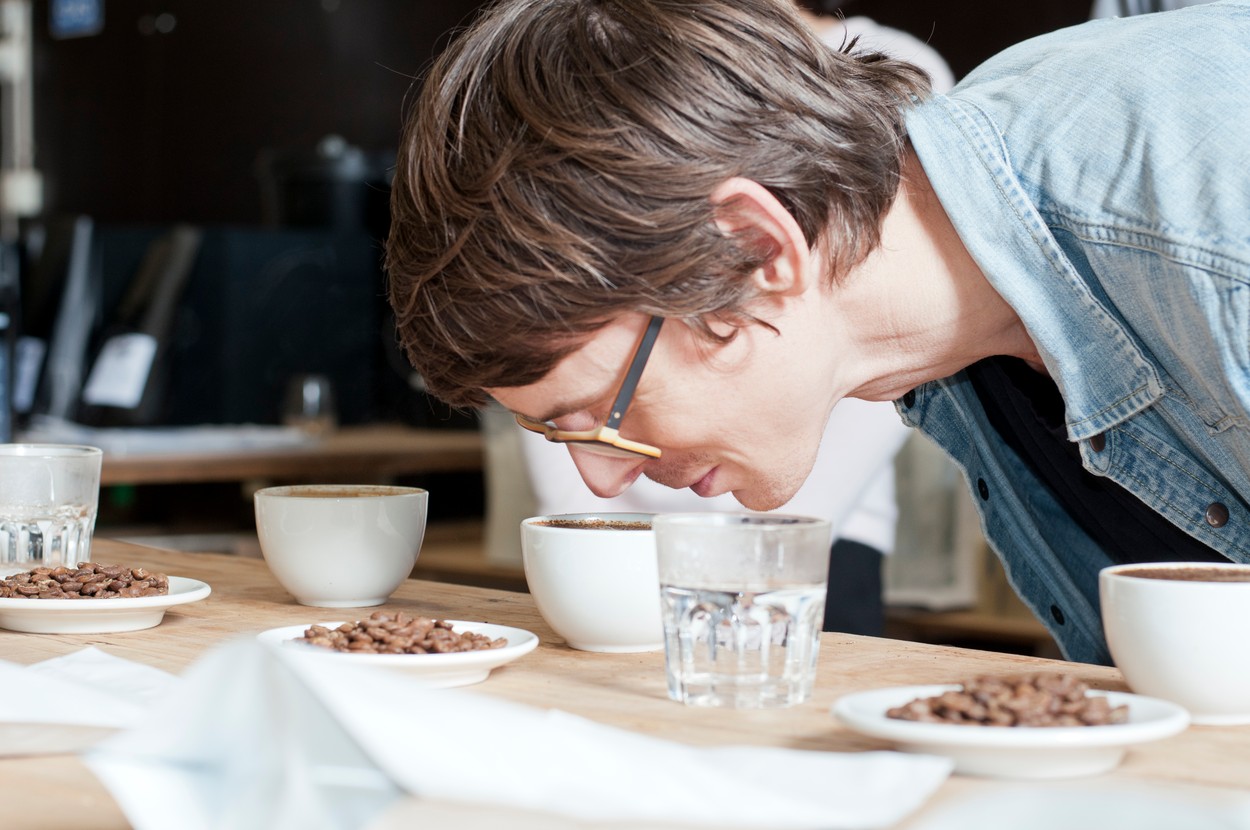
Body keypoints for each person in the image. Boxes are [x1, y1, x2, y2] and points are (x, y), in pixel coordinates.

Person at [385, 0, 1250, 665]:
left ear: (758, 247)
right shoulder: (955, 328)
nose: (602, 483)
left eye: (601, 413)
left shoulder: (1213, 224)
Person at [511, 6, 953, 638]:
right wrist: (579, 530)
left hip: (815, 520)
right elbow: (552, 348)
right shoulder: (600, 58)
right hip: (628, 536)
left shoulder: (886, 66)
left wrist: (769, 544)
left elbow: (877, 331)